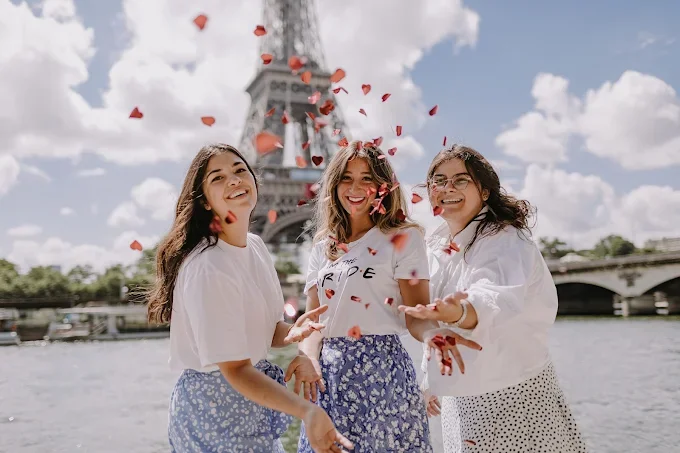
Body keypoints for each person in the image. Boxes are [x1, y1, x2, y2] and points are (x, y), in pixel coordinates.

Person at [146, 143, 353, 453]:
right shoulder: (209, 267)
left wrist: (292, 331)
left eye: (240, 170)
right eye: (218, 177)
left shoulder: (254, 246)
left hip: (251, 399)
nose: (233, 180)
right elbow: (235, 369)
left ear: (255, 181)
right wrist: (308, 410)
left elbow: (270, 330)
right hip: (215, 407)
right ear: (203, 202)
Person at [289, 140, 481, 453]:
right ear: (335, 184)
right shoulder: (324, 244)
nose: (356, 188)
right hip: (329, 381)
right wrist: (309, 358)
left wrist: (433, 333)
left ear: (383, 187)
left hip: (384, 377)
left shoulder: (404, 237)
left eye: (367, 178)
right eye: (346, 178)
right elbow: (313, 322)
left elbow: (415, 314)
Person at [400, 144, 587, 452]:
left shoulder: (504, 239)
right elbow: (436, 323)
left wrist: (457, 311)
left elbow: (494, 297)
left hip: (511, 394)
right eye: (439, 180)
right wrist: (430, 380)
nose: (448, 188)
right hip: (462, 398)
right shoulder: (436, 244)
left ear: (484, 191)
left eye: (461, 180)